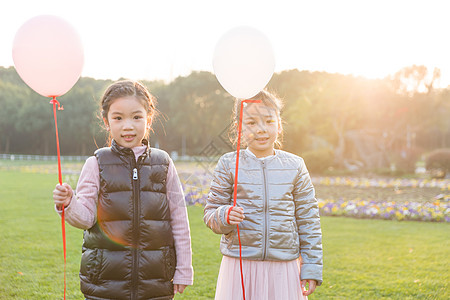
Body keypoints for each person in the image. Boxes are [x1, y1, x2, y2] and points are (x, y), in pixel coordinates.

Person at [53, 80, 193, 300]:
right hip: (104, 283)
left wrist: (184, 269)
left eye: (136, 117)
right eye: (118, 118)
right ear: (106, 122)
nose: (128, 126)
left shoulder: (163, 163)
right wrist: (69, 203)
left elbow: (179, 221)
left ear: (149, 119)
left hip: (156, 281)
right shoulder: (96, 163)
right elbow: (85, 219)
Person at [203, 90, 323, 300]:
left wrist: (311, 267)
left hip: (284, 267)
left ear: (279, 124)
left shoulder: (295, 165)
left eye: (268, 121)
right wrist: (225, 215)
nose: (261, 129)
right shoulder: (228, 163)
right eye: (251, 122)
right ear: (239, 127)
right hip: (240, 264)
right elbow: (211, 213)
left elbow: (308, 219)